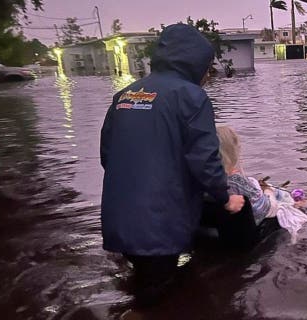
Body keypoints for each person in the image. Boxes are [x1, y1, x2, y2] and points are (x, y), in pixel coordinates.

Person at [100, 24, 244, 306]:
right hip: (159, 226)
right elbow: (205, 158)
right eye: (207, 68)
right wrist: (225, 197)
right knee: (158, 297)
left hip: (119, 221)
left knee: (145, 281)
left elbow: (107, 156)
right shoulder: (191, 96)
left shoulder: (124, 96)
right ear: (195, 63)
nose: (207, 75)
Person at [216, 126, 307, 241]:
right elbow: (269, 208)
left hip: (214, 231)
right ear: (232, 152)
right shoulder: (236, 181)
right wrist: (267, 190)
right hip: (244, 235)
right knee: (280, 198)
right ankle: (298, 203)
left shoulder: (197, 181)